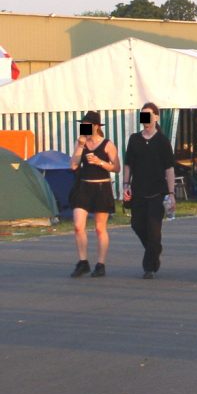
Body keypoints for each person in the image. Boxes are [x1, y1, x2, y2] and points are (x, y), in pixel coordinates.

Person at [123, 103, 176, 279]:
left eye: (148, 115)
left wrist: (171, 193)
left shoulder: (162, 141)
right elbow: (128, 164)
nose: (145, 119)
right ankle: (155, 250)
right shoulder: (134, 139)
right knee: (137, 224)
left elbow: (169, 168)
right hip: (138, 190)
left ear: (156, 117)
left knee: (154, 230)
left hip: (157, 192)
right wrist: (125, 185)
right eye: (143, 115)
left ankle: (149, 267)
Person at [69, 111, 121, 278]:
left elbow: (116, 167)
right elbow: (73, 166)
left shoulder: (107, 144)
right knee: (78, 226)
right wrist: (80, 146)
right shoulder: (81, 143)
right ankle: (83, 261)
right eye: (83, 125)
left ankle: (101, 264)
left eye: (88, 125)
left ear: (96, 126)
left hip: (101, 187)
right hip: (84, 187)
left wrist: (100, 162)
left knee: (99, 228)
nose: (84, 128)